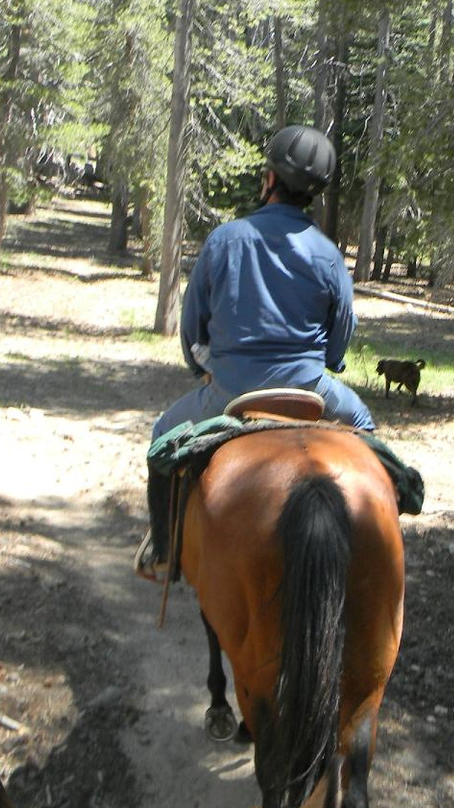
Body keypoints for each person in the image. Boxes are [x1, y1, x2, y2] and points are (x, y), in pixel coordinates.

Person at [136, 124, 374, 581]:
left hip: (230, 390)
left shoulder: (225, 240)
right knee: (370, 436)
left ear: (269, 179)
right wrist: (329, 364)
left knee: (162, 436)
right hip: (310, 388)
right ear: (314, 195)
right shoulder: (328, 255)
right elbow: (339, 338)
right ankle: (370, 556)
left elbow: (193, 330)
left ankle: (165, 554)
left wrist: (202, 366)